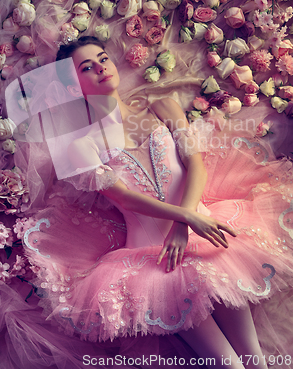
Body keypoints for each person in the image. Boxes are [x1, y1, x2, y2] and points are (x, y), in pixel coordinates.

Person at [23, 36, 293, 368]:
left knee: (255, 356)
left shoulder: (162, 106)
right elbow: (125, 198)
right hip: (156, 265)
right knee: (228, 364)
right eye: (86, 67)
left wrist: (185, 223)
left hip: (208, 235)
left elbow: (196, 165)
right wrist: (185, 221)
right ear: (72, 87)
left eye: (103, 58)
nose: (101, 68)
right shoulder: (81, 147)